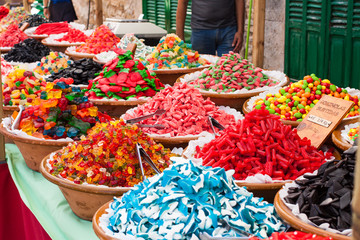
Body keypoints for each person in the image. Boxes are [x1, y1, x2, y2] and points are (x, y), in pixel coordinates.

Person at [176, 0, 244, 57]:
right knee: (203, 69)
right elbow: (182, 2)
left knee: (229, 69)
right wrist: (180, 37)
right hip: (201, 32)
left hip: (228, 31)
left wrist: (240, 31)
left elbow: (239, 1)